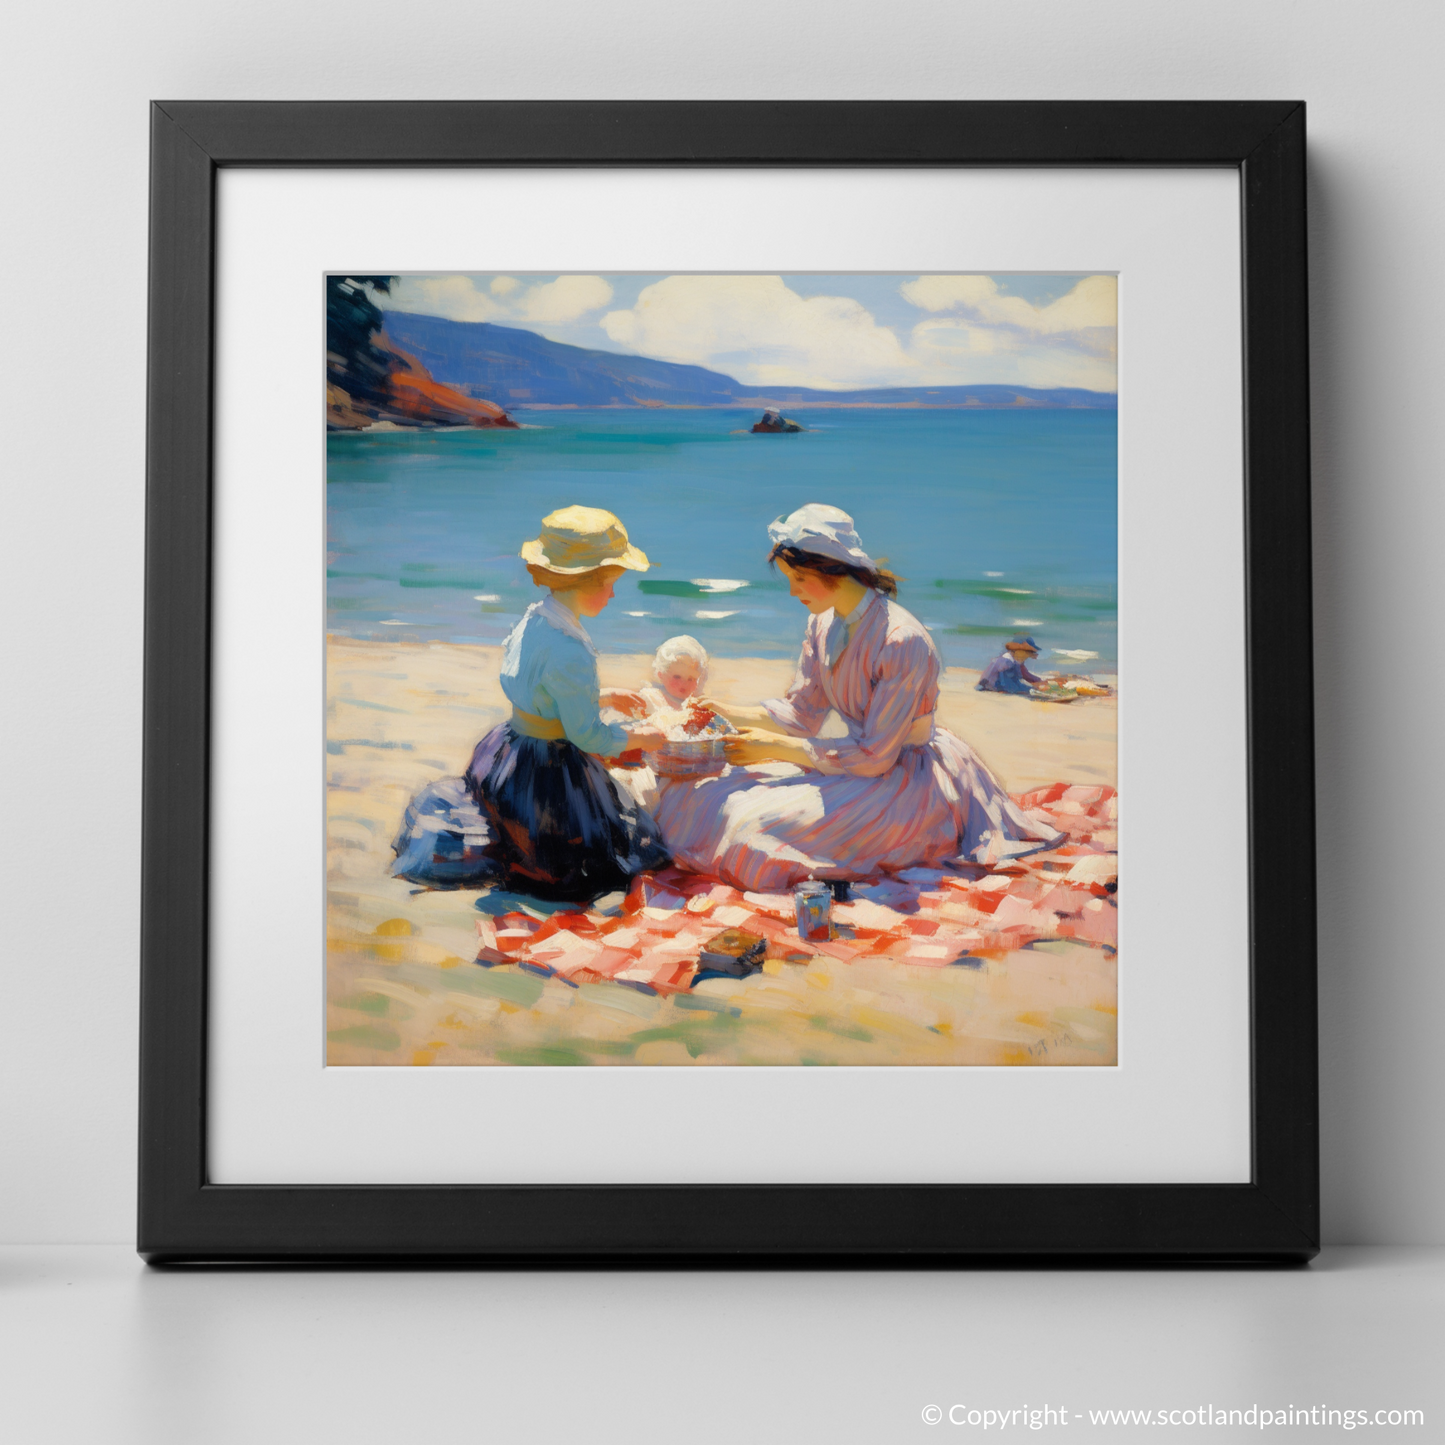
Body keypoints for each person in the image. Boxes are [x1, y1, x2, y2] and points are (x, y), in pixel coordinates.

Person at [653, 504, 1064, 891]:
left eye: (799, 579)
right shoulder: (821, 626)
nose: (793, 592)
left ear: (833, 569)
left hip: (910, 778)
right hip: (853, 764)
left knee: (751, 829)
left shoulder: (901, 640)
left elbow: (876, 755)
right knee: (706, 795)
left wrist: (776, 747)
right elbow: (802, 715)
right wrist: (728, 711)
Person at [391, 506, 670, 900]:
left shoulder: (535, 620)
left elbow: (534, 689)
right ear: (581, 581)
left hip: (508, 751)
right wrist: (643, 737)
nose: (611, 595)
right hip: (548, 771)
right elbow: (588, 736)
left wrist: (603, 696)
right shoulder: (572, 650)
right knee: (604, 848)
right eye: (607, 584)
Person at [639, 635, 709, 713]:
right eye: (677, 677)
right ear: (661, 674)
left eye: (691, 679)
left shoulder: (698, 701)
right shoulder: (653, 698)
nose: (684, 683)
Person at [976, 635, 1045, 695]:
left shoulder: (1014, 661)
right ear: (1017, 650)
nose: (1028, 655)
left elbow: (1025, 674)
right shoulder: (1006, 663)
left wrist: (1039, 681)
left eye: (1030, 653)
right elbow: (1008, 685)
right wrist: (1032, 689)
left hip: (996, 687)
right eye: (1027, 652)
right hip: (990, 688)